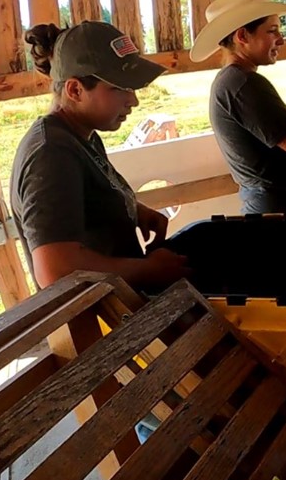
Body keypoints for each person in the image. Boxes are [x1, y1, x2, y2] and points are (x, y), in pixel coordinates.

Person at [11, 21, 190, 292]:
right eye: (120, 88)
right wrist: (150, 270)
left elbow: (85, 202)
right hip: (98, 326)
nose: (133, 101)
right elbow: (55, 269)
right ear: (75, 91)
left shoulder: (83, 136)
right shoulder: (51, 153)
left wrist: (132, 211)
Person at [190, 0, 286, 214]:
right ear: (242, 35)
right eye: (272, 31)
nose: (281, 39)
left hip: (268, 207)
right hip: (283, 212)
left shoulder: (230, 82)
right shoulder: (244, 84)